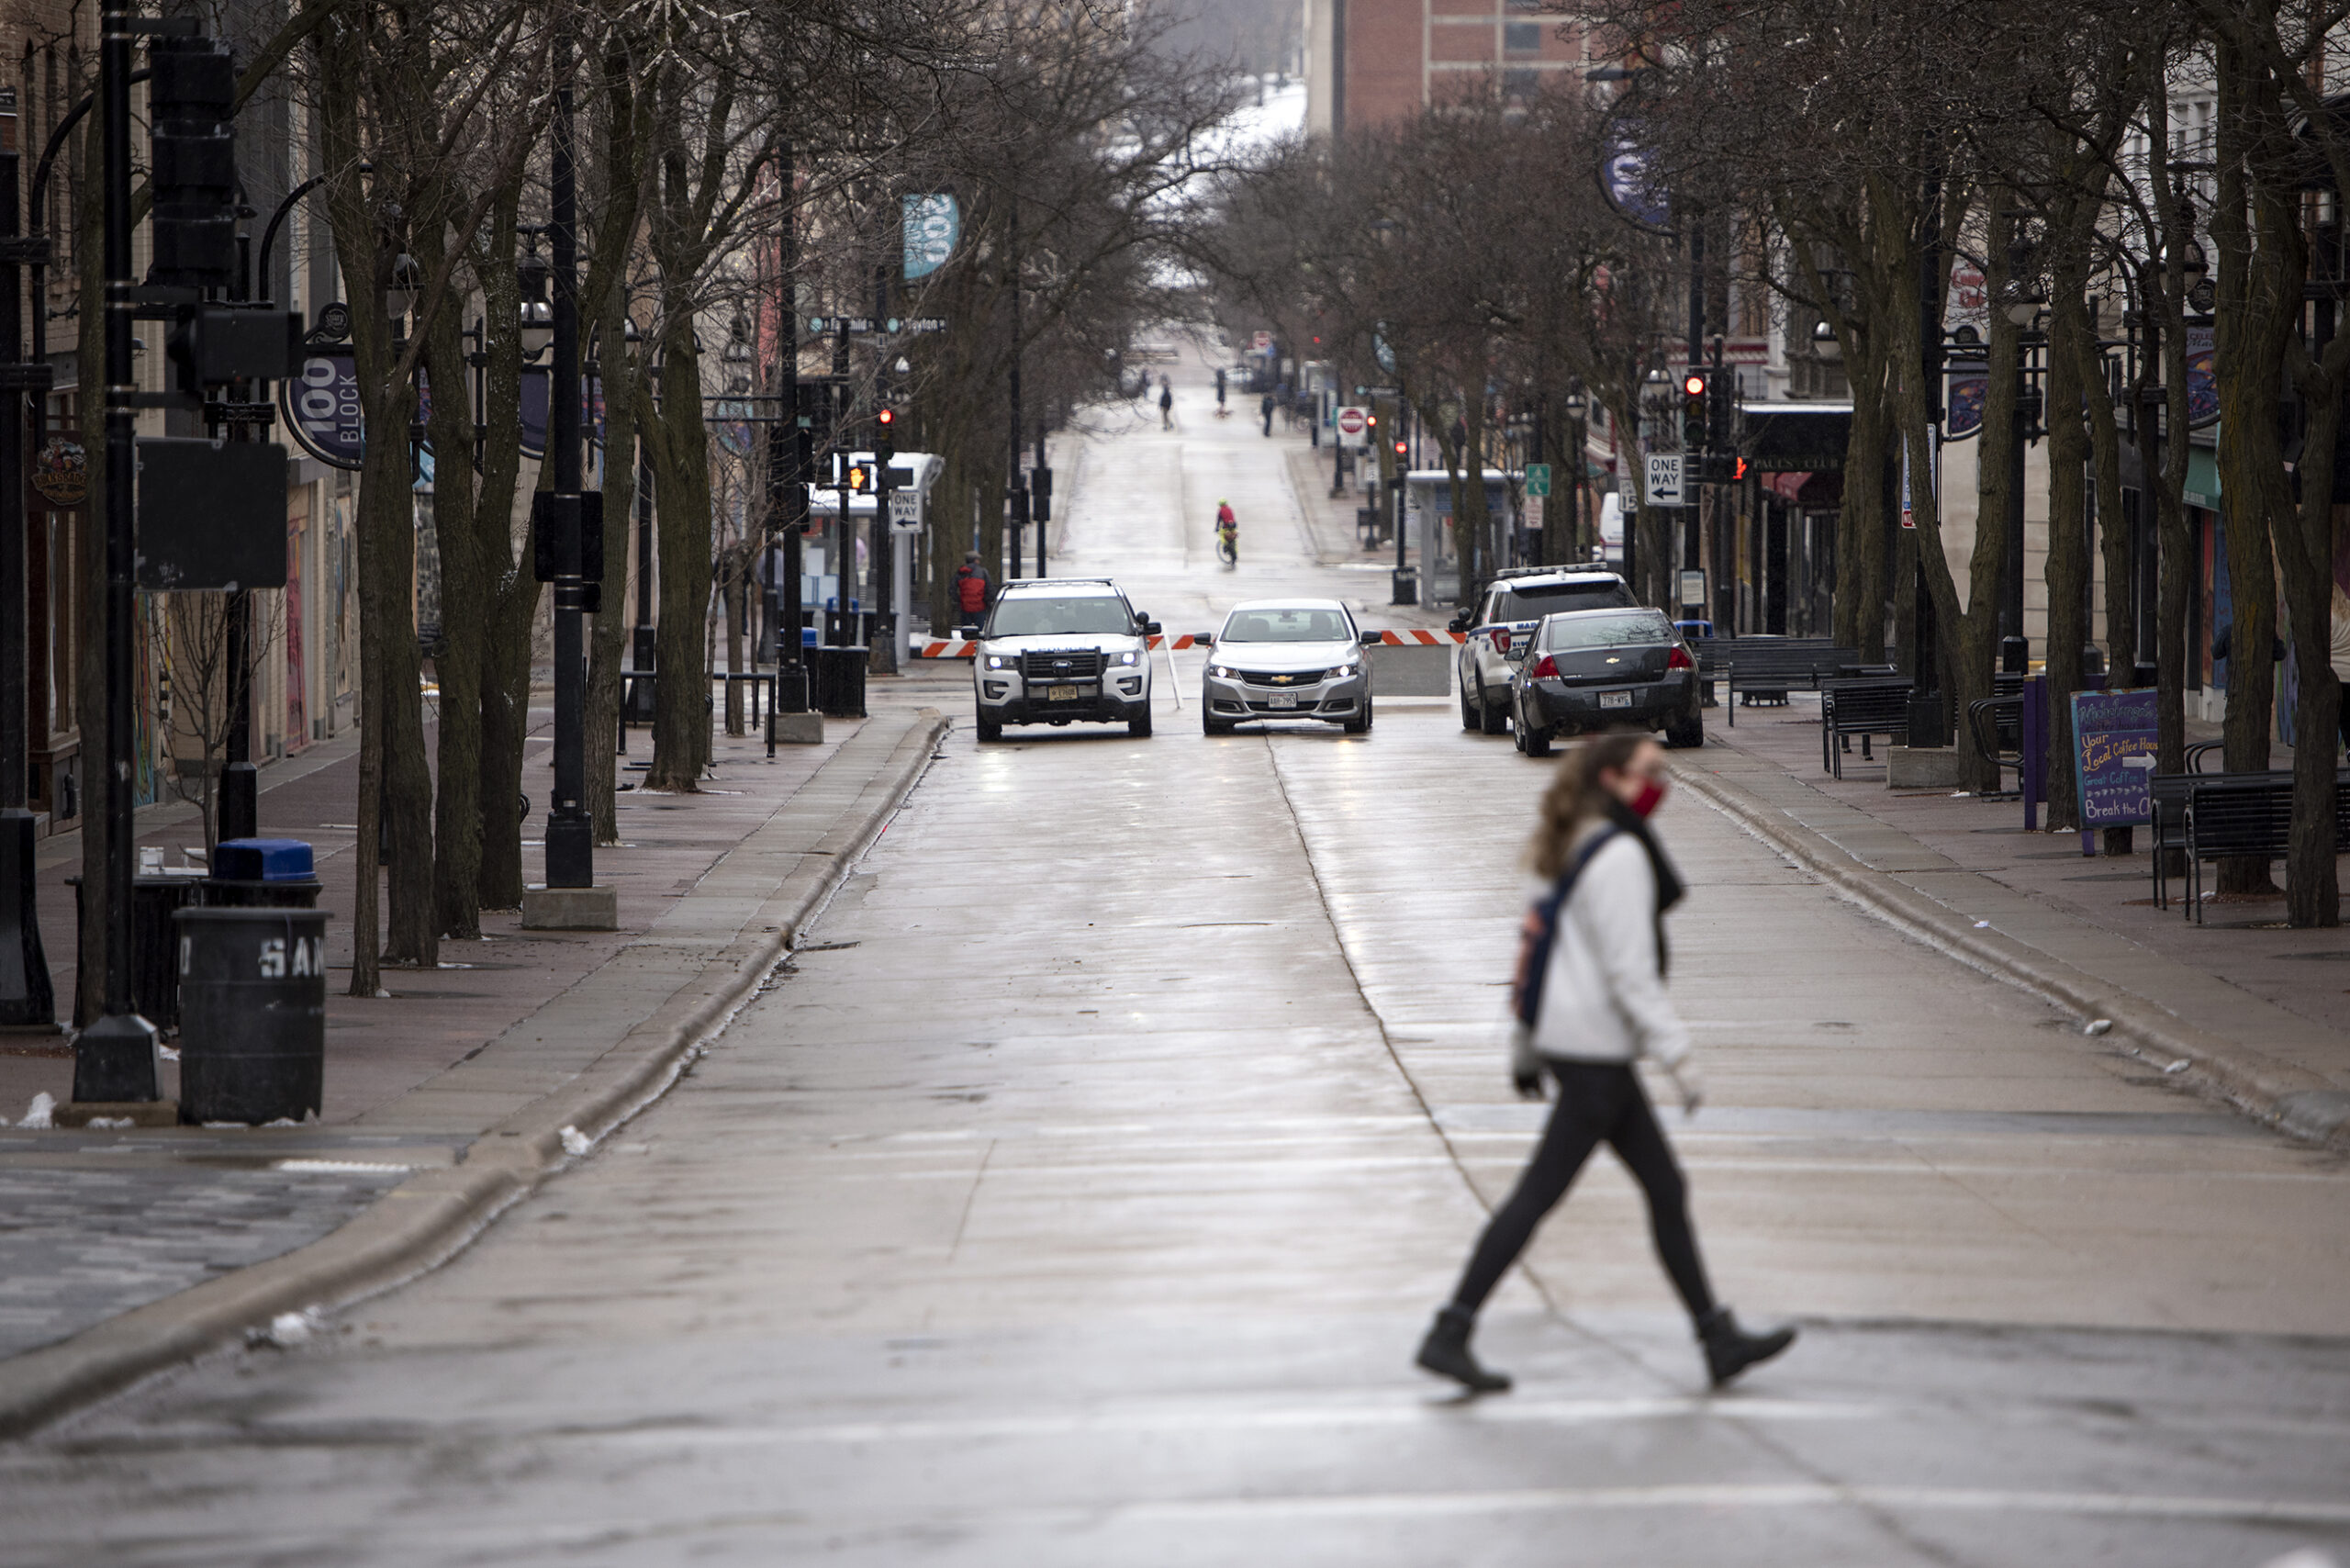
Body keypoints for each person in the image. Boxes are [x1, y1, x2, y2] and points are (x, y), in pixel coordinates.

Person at [1415, 730, 1796, 1394]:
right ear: (1615, 779)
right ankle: (1450, 1330)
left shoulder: (1573, 840)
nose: (1662, 784)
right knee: (1540, 1195)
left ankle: (1715, 1337)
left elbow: (1533, 946)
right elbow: (1629, 972)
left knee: (1663, 1188)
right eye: (1650, 771)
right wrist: (1677, 1052)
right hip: (1595, 1053)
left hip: (1583, 1049)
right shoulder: (1619, 853)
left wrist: (1527, 1043)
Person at [953, 552, 991, 631]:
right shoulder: (983, 572)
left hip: (965, 606)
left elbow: (951, 589)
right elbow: (989, 589)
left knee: (966, 631)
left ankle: (967, 641)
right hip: (979, 606)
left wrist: (959, 600)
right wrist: (987, 601)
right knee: (980, 631)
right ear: (976, 561)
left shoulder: (960, 572)